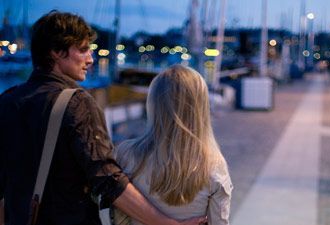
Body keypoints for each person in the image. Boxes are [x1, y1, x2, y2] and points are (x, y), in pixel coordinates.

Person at [0, 11, 205, 225]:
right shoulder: (77, 103)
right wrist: (168, 223)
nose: (90, 58)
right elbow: (108, 179)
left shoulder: (7, 101)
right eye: (82, 50)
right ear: (57, 52)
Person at [113, 65, 233, 225]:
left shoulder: (126, 154)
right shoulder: (214, 165)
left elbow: (119, 218)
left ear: (154, 103)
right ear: (201, 108)